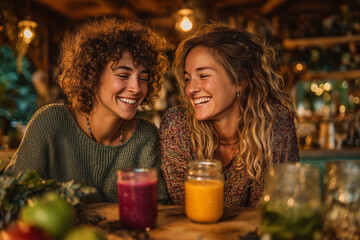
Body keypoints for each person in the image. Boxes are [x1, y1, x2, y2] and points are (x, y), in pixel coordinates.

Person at [6, 17, 169, 203]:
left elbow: (159, 208)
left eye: (143, 78)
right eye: (123, 75)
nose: (137, 88)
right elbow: (16, 198)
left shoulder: (146, 137)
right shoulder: (50, 123)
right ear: (93, 75)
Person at [160, 23, 299, 208]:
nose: (190, 89)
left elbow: (274, 208)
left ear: (240, 80)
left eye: (203, 76)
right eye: (187, 79)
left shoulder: (276, 124)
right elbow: (186, 208)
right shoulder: (177, 125)